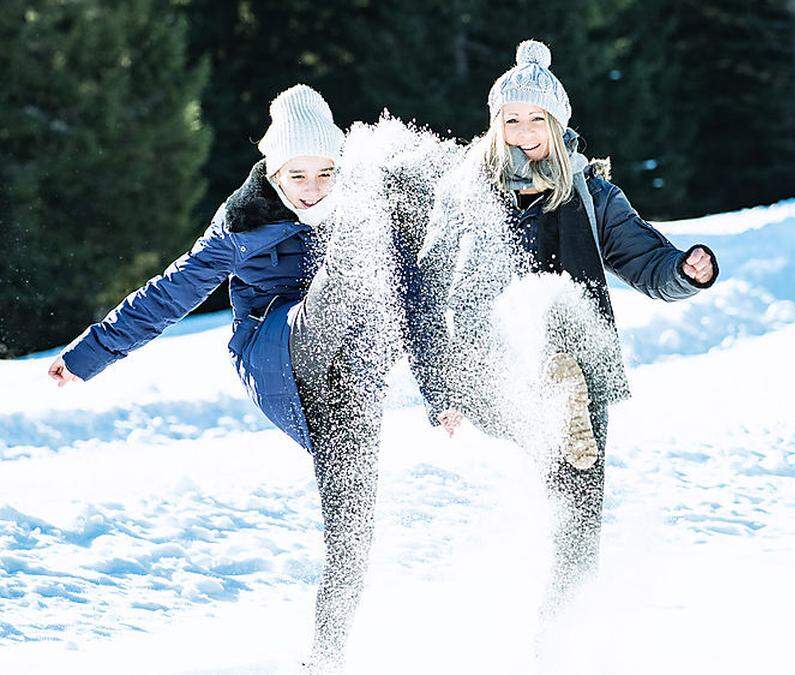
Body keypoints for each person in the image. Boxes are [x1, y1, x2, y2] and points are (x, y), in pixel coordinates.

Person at [46, 84, 433, 673]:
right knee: (356, 260)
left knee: (353, 528)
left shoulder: (367, 207)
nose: (312, 190)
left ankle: (323, 659)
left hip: (348, 379)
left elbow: (414, 295)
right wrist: (87, 356)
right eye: (295, 177)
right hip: (277, 349)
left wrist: (442, 389)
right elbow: (168, 294)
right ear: (273, 174)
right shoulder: (241, 226)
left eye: (326, 173)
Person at [423, 40, 718, 615]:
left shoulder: (590, 194)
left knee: (579, 500)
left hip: (578, 370)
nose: (525, 131)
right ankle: (550, 382)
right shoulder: (468, 192)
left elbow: (643, 259)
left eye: (538, 119)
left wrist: (684, 271)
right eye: (512, 119)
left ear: (558, 124)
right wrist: (444, 387)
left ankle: (564, 628)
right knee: (534, 343)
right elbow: (434, 290)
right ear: (494, 124)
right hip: (495, 362)